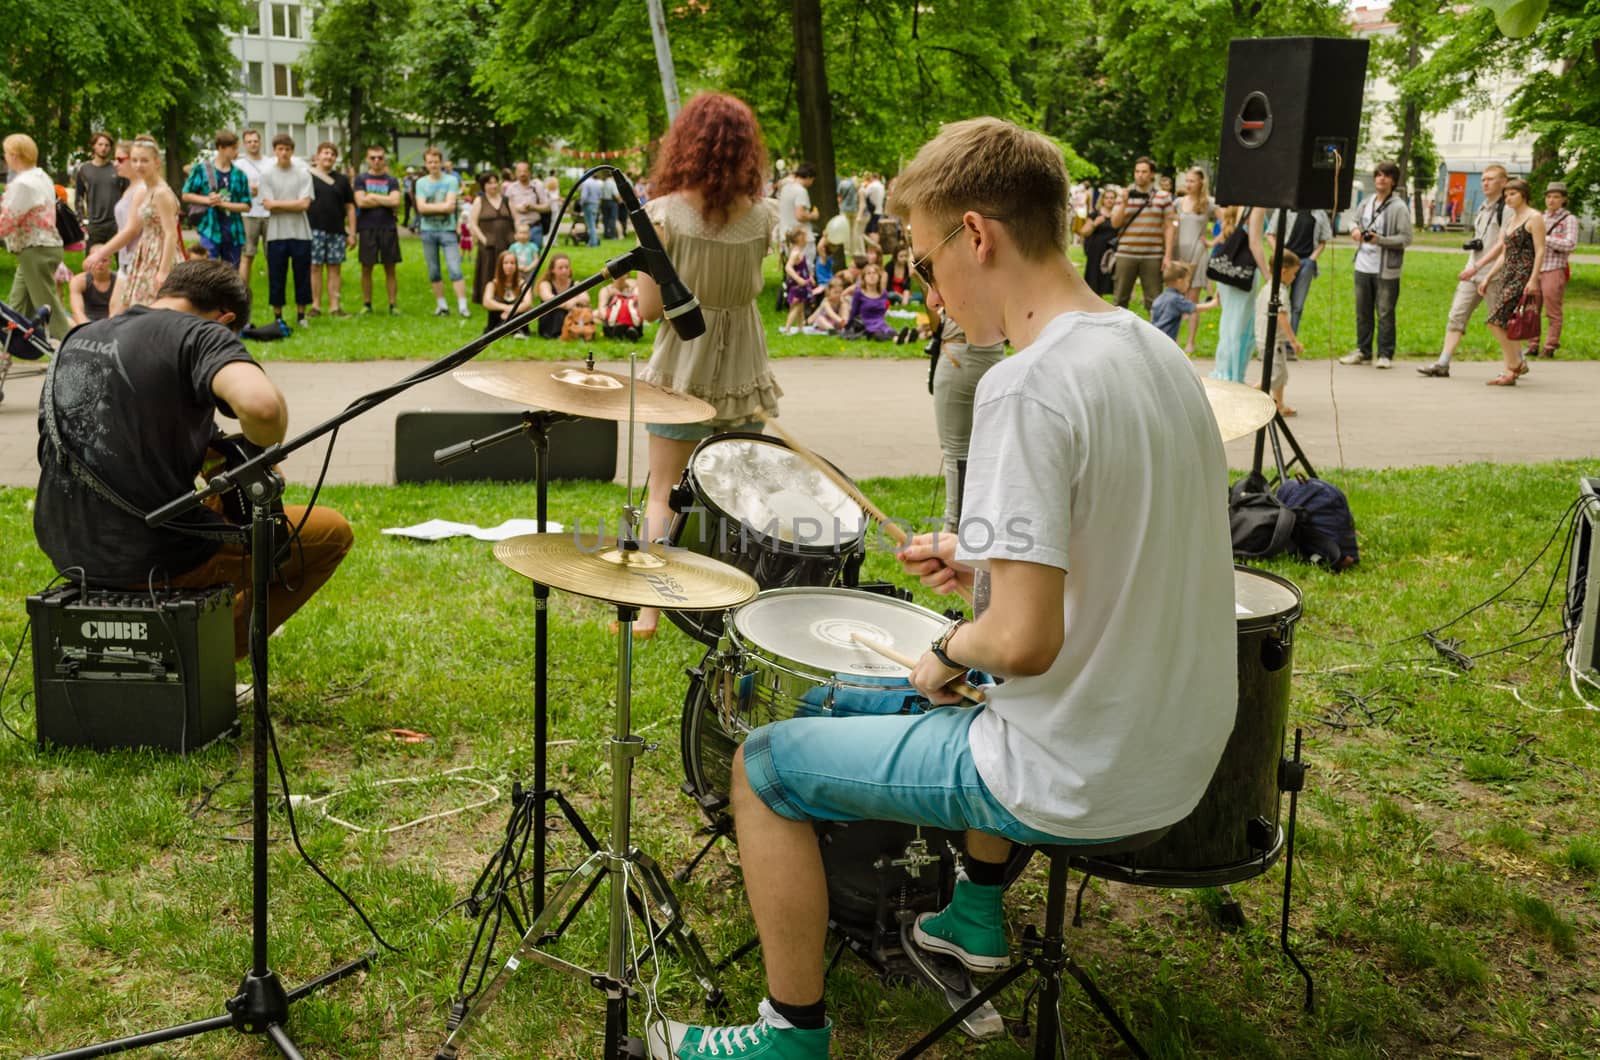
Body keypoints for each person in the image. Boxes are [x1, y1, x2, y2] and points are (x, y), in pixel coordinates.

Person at [649, 115, 1235, 1060]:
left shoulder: (1026, 384)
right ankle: (972, 916)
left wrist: (947, 651)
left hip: (1077, 769)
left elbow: (1022, 645)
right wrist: (982, 566)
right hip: (1180, 752)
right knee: (900, 695)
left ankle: (787, 1039)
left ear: (977, 235)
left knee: (765, 765)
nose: (928, 293)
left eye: (925, 264)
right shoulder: (1152, 350)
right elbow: (1116, 548)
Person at [34, 260, 353, 660]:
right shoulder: (201, 334)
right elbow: (263, 408)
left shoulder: (80, 336)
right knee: (330, 532)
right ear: (226, 319)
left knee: (220, 505)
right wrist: (264, 449)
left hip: (67, 544)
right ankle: (215, 656)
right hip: (149, 554)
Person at [633, 92, 784, 638]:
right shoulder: (764, 217)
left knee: (662, 490)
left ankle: (649, 611)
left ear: (686, 145)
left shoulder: (662, 216)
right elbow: (753, 290)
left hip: (681, 364)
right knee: (744, 497)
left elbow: (651, 308)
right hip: (744, 365)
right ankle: (738, 611)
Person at [1417, 165, 1507, 378]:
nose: (1485, 183)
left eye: (1491, 179)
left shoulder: (1508, 208)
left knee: (1498, 320)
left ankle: (1515, 362)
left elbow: (1502, 245)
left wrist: (1478, 266)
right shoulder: (1483, 206)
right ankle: (1443, 362)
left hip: (1494, 274)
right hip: (1473, 272)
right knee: (1457, 314)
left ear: (1503, 182)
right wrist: (1471, 266)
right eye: (1483, 179)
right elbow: (1482, 241)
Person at [929, 310, 1006, 531]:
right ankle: (984, 520)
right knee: (991, 448)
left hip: (959, 354)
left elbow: (935, 321)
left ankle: (954, 526)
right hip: (996, 355)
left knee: (955, 450)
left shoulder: (952, 278)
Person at [85, 138, 182, 315]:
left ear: (157, 162)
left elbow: (170, 234)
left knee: (148, 312)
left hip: (158, 254)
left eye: (144, 160)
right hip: (143, 254)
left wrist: (163, 270)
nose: (138, 165)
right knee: (130, 310)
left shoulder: (161, 193)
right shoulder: (146, 189)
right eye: (135, 160)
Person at [1469, 178, 1545, 387]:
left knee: (1495, 320)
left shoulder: (1534, 217)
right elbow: (1505, 253)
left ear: (1523, 194)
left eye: (1512, 194)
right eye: (1506, 195)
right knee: (1504, 323)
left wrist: (1533, 279)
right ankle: (1511, 369)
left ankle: (1515, 364)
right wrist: (1488, 276)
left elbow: (1540, 251)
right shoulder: (1512, 220)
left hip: (1523, 275)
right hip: (1508, 275)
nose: (1508, 198)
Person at [1339, 161, 1413, 369]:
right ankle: (1363, 350)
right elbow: (1353, 220)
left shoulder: (1399, 208)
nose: (1382, 179)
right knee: (1362, 311)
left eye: (1387, 176)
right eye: (1379, 175)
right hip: (1363, 265)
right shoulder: (1367, 202)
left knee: (1385, 312)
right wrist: (1355, 230)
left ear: (1393, 181)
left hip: (1386, 269)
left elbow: (1406, 238)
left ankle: (1385, 353)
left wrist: (1379, 240)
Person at [0, 134, 71, 342]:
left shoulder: (23, 184)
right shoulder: (41, 177)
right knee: (16, 306)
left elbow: (6, 220)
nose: (4, 157)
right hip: (40, 247)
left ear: (14, 155)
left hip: (35, 250)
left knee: (48, 305)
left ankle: (71, 345)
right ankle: (9, 349)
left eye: (5, 153)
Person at [259, 133, 314, 331]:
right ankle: (278, 316)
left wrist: (279, 204)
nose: (284, 153)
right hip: (276, 233)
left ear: (292, 151)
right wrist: (293, 204)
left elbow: (305, 204)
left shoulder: (302, 174)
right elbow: (268, 205)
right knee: (276, 276)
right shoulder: (266, 174)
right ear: (274, 151)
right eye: (280, 149)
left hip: (301, 233)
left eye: (287, 149)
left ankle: (301, 315)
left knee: (302, 275)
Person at [1209, 205, 1268, 384]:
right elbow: (1255, 244)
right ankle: (1232, 376)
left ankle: (1224, 371)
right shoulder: (1257, 206)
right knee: (1240, 327)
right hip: (1243, 272)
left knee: (1229, 323)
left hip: (1230, 271)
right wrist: (1269, 276)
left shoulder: (1239, 201)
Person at [1265, 207, 1331, 362]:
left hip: (1306, 262)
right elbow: (1270, 234)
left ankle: (1289, 346)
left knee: (1297, 306)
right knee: (1277, 302)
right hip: (1285, 262)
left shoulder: (1319, 213)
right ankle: (1272, 343)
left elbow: (1323, 240)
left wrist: (1312, 259)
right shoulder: (1286, 208)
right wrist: (1281, 254)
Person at [1110, 156, 1174, 314]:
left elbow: (1169, 227)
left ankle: (1155, 335)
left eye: (1144, 172)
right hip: (1126, 253)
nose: (1140, 175)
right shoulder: (1125, 195)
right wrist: (1124, 203)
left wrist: (1168, 255)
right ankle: (1118, 336)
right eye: (1137, 171)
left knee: (1154, 301)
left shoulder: (1163, 197)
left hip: (1152, 255)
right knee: (1120, 299)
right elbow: (1115, 224)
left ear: (1152, 174)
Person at [180, 130, 253, 267]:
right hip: (210, 229)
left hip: (233, 232)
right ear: (221, 148)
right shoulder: (202, 170)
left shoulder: (240, 175)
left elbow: (247, 206)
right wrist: (208, 200)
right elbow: (186, 195)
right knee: (207, 271)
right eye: (233, 148)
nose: (236, 152)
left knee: (230, 275)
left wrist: (224, 204)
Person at [414, 147, 469, 318]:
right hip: (428, 231)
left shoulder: (451, 180)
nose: (433, 165)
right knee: (433, 270)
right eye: (430, 162)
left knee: (455, 268)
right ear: (426, 164)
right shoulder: (421, 183)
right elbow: (421, 208)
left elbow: (450, 206)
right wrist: (441, 207)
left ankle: (462, 306)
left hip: (447, 230)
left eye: (436, 162)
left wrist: (433, 208)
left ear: (441, 162)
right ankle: (442, 305)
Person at [306, 141, 356, 318]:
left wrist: (351, 232)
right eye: (325, 153)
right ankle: (315, 305)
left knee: (335, 268)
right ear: (318, 155)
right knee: (315, 267)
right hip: (313, 229)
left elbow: (350, 207)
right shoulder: (308, 176)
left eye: (332, 154)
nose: (329, 157)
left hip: (336, 230)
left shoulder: (342, 180)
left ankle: (335, 306)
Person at [1528, 180, 1575, 360]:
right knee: (1533, 308)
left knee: (1552, 310)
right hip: (1536, 268)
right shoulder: (1540, 217)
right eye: (1548, 196)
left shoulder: (1568, 219)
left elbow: (1570, 244)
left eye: (1556, 197)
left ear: (1564, 199)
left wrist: (1545, 238)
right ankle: (1532, 343)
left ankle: (1550, 345)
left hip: (1554, 268)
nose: (1551, 200)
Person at [355, 145, 404, 315]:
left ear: (384, 160)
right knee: (366, 268)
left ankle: (393, 305)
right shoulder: (361, 179)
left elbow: (395, 201)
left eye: (380, 158)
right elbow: (360, 202)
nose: (376, 161)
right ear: (367, 160)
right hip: (367, 228)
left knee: (390, 268)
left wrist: (373, 197)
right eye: (373, 158)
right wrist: (386, 200)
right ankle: (367, 304)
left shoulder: (391, 180)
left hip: (388, 228)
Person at [1172, 168, 1216, 353]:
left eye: (1192, 181)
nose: (1188, 184)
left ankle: (1190, 341)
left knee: (1192, 298)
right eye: (1187, 181)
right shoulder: (1178, 203)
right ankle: (1172, 339)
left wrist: (1213, 241)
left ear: (1201, 183)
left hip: (1197, 254)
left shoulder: (1209, 204)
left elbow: (1228, 221)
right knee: (1174, 297)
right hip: (1179, 254)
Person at [1254, 250, 1303, 415]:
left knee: (1280, 373)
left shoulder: (1267, 288)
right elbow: (1282, 318)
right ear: (1284, 271)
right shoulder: (1278, 292)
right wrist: (1293, 341)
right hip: (1273, 340)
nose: (1294, 278)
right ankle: (1248, 397)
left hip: (1265, 338)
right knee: (1273, 376)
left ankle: (1279, 404)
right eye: (1294, 273)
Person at [74, 132, 125, 255]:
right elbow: (79, 197)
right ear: (94, 146)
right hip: (95, 225)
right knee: (93, 264)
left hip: (116, 224)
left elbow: (128, 194)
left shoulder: (118, 168)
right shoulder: (83, 169)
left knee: (123, 265)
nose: (103, 148)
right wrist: (82, 221)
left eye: (107, 145)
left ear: (110, 148)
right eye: (100, 144)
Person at [468, 171, 515, 307]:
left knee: (506, 269)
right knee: (487, 271)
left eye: (495, 182)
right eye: (490, 183)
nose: (494, 185)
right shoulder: (479, 201)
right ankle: (486, 297)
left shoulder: (506, 200)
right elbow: (473, 223)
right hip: (488, 244)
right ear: (484, 186)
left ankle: (507, 295)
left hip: (506, 242)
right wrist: (484, 239)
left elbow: (516, 219)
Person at [234, 129, 271, 282]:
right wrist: (247, 189)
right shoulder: (238, 165)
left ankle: (274, 290)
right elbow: (234, 190)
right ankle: (243, 290)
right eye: (249, 142)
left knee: (273, 255)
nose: (253, 144)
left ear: (260, 142)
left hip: (269, 213)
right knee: (247, 254)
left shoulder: (270, 162)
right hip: (248, 214)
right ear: (244, 144)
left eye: (255, 141)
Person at [1149, 262, 1217, 343]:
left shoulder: (1160, 298)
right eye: (1187, 281)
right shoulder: (1176, 299)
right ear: (1180, 281)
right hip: (1166, 340)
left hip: (1154, 337)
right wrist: (1213, 303)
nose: (1188, 284)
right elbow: (1194, 308)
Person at [535, 252, 589, 339]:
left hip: (572, 317)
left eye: (566, 267)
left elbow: (586, 299)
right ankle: (558, 334)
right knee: (558, 310)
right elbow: (550, 299)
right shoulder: (545, 284)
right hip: (550, 320)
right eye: (560, 268)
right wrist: (568, 305)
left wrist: (573, 302)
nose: (564, 270)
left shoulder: (576, 283)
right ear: (552, 270)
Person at [1079, 187, 1118, 297]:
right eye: (1107, 198)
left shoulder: (1118, 215)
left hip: (1112, 253)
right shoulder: (1095, 214)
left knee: (1111, 281)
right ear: (1102, 200)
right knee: (1095, 282)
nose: (1110, 200)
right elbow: (1084, 232)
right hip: (1096, 252)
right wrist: (1095, 224)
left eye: (1112, 198)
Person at [778, 163, 820, 265]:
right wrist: (813, 215)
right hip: (801, 238)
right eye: (812, 180)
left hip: (787, 235)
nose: (812, 183)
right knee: (805, 269)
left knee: (792, 268)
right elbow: (800, 215)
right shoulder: (801, 191)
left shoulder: (785, 188)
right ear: (809, 177)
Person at [482, 250, 532, 334]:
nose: (509, 266)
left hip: (516, 317)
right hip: (498, 319)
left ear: (516, 266)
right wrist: (505, 308)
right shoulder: (493, 284)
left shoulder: (523, 284)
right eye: (505, 263)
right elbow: (486, 302)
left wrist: (512, 310)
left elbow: (528, 303)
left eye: (512, 263)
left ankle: (518, 331)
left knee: (521, 306)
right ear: (500, 265)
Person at [505, 161, 550, 251]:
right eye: (520, 171)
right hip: (518, 228)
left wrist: (533, 207)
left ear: (529, 172)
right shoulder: (511, 188)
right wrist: (518, 209)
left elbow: (547, 207)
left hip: (535, 227)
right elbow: (506, 207)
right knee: (518, 256)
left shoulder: (537, 186)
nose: (522, 174)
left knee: (536, 255)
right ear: (515, 173)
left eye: (525, 171)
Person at [780, 228, 812, 335]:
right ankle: (787, 328)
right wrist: (798, 279)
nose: (807, 239)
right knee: (796, 306)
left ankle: (800, 328)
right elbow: (788, 267)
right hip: (797, 285)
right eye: (805, 236)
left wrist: (809, 278)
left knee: (801, 306)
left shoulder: (798, 251)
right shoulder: (796, 252)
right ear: (800, 238)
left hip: (801, 284)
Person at [68, 257, 116, 324]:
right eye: (96, 261)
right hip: (86, 320)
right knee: (62, 317)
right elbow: (77, 310)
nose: (100, 264)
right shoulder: (78, 281)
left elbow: (122, 311)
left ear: (110, 262)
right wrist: (86, 326)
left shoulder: (119, 281)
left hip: (112, 321)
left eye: (104, 260)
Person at [578, 172, 605, 248]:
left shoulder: (585, 183)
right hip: (595, 204)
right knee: (593, 224)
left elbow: (584, 196)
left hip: (588, 205)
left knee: (590, 225)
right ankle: (592, 241)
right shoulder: (596, 183)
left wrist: (581, 204)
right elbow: (600, 195)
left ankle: (593, 243)